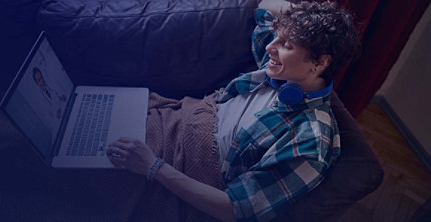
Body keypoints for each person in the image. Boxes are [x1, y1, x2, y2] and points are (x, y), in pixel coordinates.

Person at [106, 1, 360, 221]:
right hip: (175, 120)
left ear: (320, 62)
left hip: (178, 167)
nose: (271, 47)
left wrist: (153, 166)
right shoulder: (283, 71)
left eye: (287, 45)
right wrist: (307, 21)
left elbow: (235, 209)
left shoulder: (310, 144)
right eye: (276, 36)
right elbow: (265, 5)